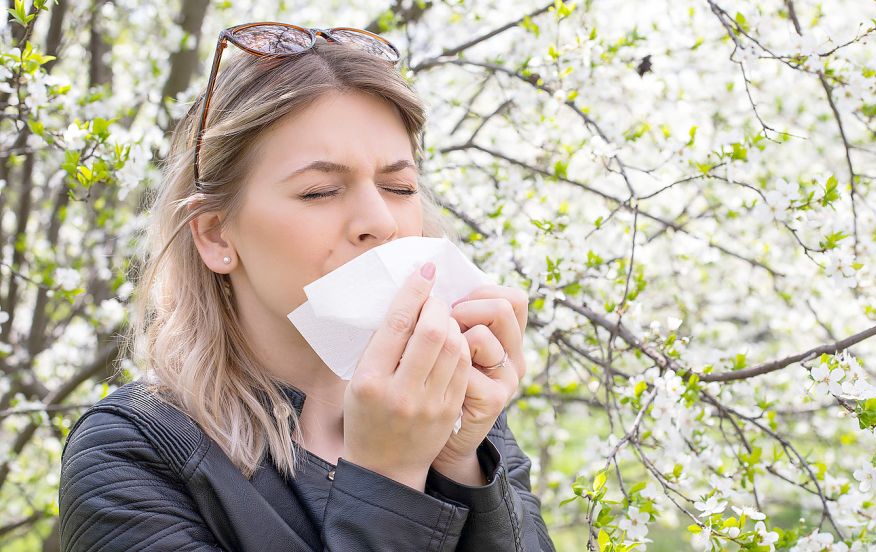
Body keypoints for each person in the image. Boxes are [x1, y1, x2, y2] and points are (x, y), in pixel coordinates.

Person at [58, 22, 556, 551]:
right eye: (320, 192)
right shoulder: (132, 453)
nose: (378, 221)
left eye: (399, 187)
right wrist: (389, 477)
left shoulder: (446, 412)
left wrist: (460, 462)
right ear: (215, 234)